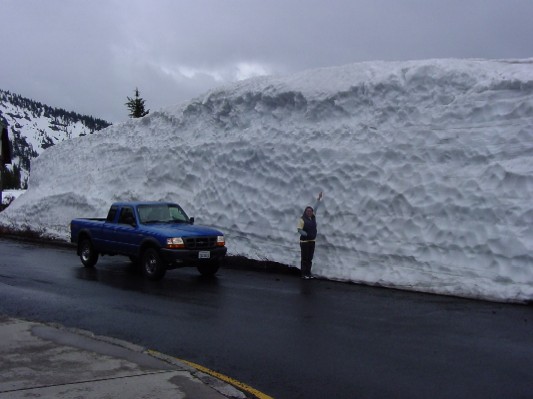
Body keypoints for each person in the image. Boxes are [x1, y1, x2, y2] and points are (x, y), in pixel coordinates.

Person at [297, 191, 323, 279]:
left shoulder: (313, 217)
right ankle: (303, 274)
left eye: (310, 211)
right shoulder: (302, 219)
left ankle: (308, 273)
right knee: (304, 258)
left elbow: (316, 207)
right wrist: (306, 234)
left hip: (312, 241)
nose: (309, 212)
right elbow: (299, 230)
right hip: (304, 241)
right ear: (305, 212)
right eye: (307, 211)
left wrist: (319, 198)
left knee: (310, 258)